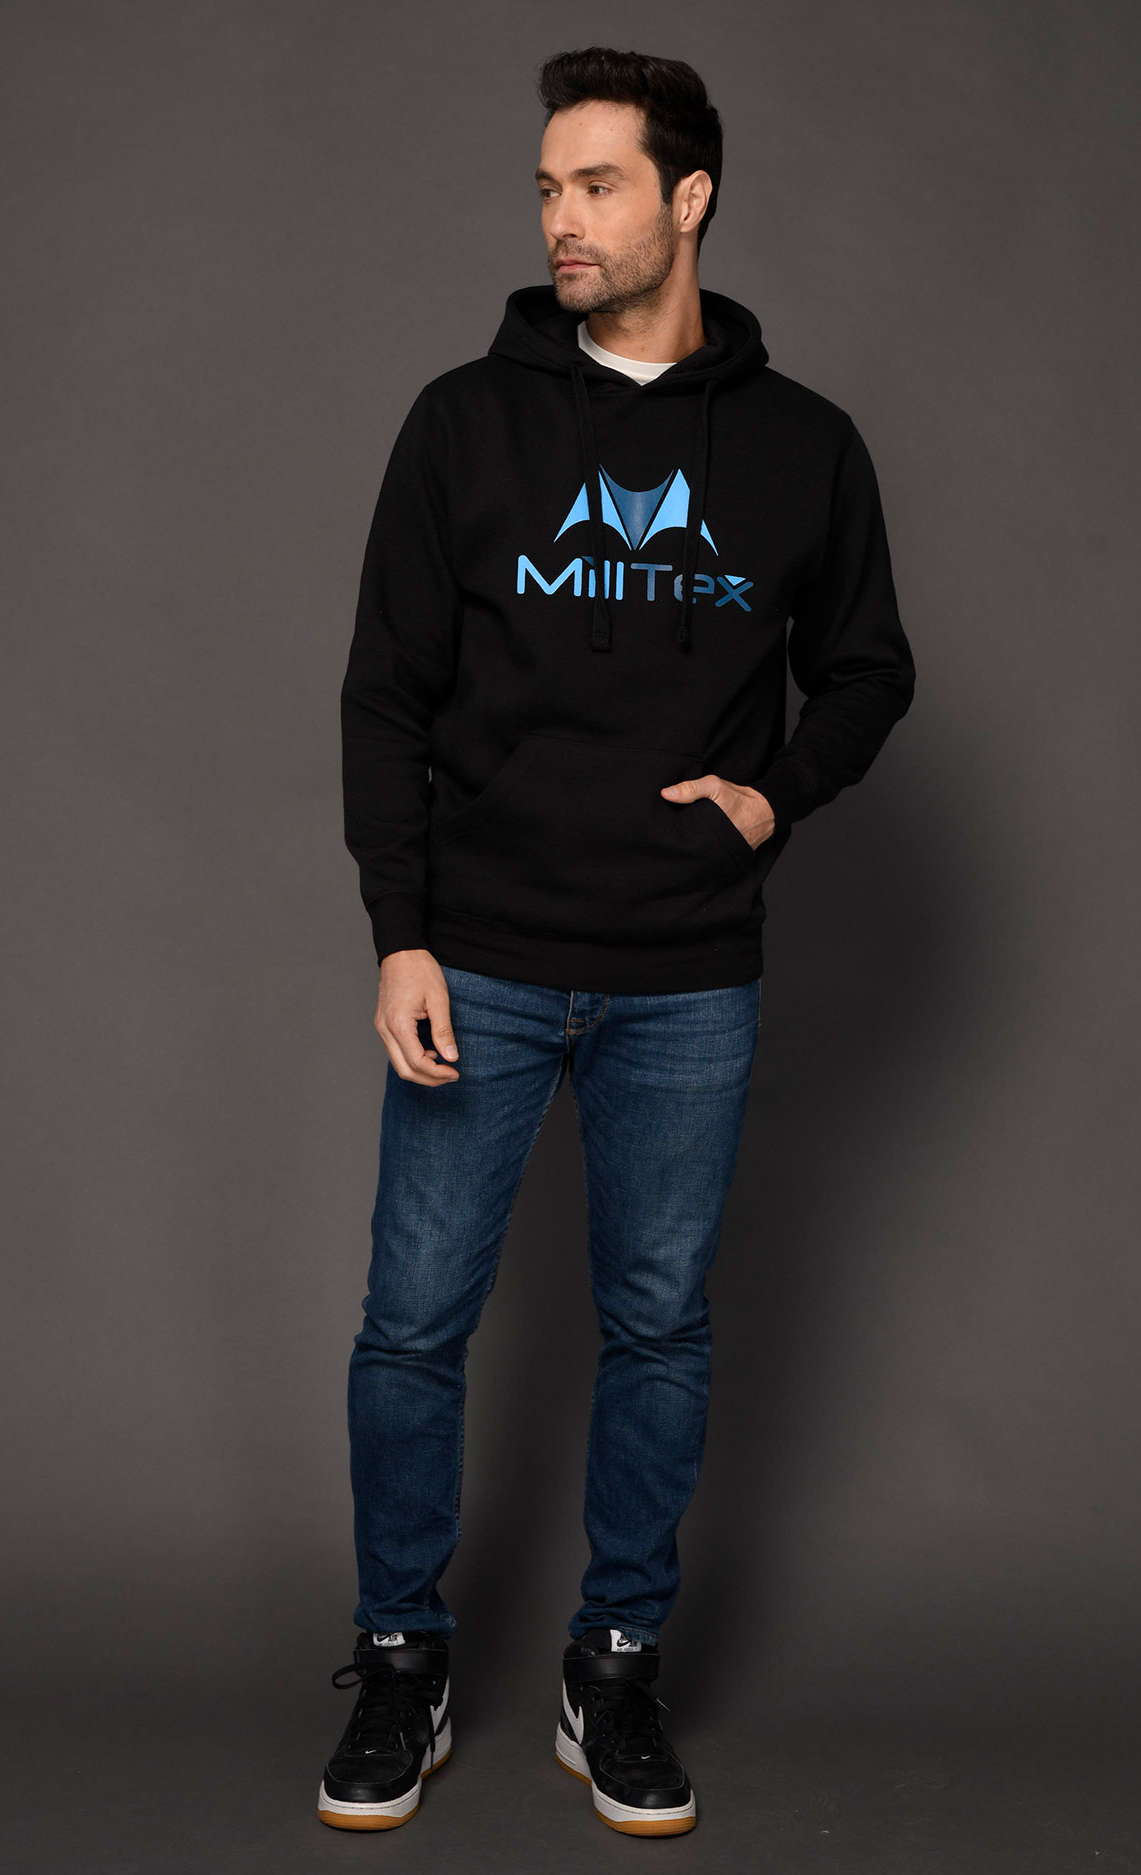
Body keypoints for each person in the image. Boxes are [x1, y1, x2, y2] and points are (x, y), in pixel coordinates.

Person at [318, 45, 916, 1838]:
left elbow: (867, 669)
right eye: (546, 189)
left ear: (688, 198)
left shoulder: (801, 445)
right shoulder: (463, 423)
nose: (560, 220)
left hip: (686, 976)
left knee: (656, 1326)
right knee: (412, 1326)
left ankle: (616, 1666)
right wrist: (400, 933)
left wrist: (771, 795)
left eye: (595, 185)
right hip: (480, 959)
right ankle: (402, 1658)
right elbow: (383, 694)